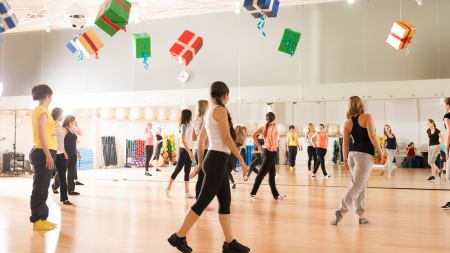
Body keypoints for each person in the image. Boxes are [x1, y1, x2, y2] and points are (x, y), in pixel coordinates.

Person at [168, 81, 250, 253]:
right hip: (217, 160)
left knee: (225, 202)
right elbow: (227, 139)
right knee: (202, 201)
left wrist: (199, 163)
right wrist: (241, 161)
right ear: (225, 95)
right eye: (228, 95)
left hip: (213, 159)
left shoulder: (208, 113)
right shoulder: (220, 110)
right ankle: (178, 236)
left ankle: (229, 243)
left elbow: (201, 140)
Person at [331, 96, 384, 226]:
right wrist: (380, 150)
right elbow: (372, 136)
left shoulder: (347, 122)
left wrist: (344, 159)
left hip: (351, 155)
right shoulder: (367, 117)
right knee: (357, 185)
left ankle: (361, 215)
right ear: (361, 104)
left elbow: (345, 144)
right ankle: (341, 211)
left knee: (360, 184)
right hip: (364, 155)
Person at [29, 84, 58, 231]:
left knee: (43, 186)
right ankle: (37, 220)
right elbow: (41, 135)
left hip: (44, 151)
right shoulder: (42, 111)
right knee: (40, 186)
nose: (51, 98)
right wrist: (48, 155)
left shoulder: (41, 111)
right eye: (51, 95)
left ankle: (41, 218)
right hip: (43, 152)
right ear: (47, 95)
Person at [249, 112, 286, 200]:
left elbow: (253, 135)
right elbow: (271, 137)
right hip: (270, 153)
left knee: (272, 175)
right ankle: (253, 193)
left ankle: (275, 195)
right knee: (261, 174)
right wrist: (273, 147)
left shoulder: (263, 127)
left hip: (266, 152)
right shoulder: (273, 126)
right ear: (274, 119)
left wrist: (259, 146)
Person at [166, 109, 195, 199]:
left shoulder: (190, 125)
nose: (191, 117)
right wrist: (190, 153)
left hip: (189, 149)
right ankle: (168, 188)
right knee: (178, 169)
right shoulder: (183, 126)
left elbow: (191, 138)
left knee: (187, 171)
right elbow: (183, 140)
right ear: (188, 116)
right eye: (190, 115)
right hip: (184, 150)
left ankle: (187, 192)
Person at [50, 107, 73, 205]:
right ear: (58, 115)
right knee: (46, 177)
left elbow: (61, 142)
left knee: (63, 176)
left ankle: (64, 198)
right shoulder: (50, 125)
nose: (63, 116)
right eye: (62, 114)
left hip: (60, 155)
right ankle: (43, 198)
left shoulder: (59, 126)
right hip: (52, 153)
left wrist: (64, 152)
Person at [190, 100, 209, 198]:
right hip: (205, 150)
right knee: (204, 176)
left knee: (201, 176)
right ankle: (200, 201)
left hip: (198, 150)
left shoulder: (196, 120)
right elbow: (205, 136)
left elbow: (193, 138)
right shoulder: (206, 119)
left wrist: (199, 136)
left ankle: (199, 199)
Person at [63, 115, 80, 196]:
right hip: (66, 154)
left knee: (71, 172)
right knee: (62, 172)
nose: (73, 123)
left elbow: (75, 142)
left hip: (73, 154)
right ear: (68, 121)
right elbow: (60, 142)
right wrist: (65, 153)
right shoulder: (64, 129)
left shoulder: (73, 129)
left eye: (74, 121)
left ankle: (71, 190)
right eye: (72, 121)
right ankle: (54, 185)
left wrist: (77, 152)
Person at [441, 97, 450, 209]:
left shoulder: (447, 116)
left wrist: (446, 149)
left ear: (447, 105)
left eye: (444, 104)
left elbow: (449, 133)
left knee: (449, 175)